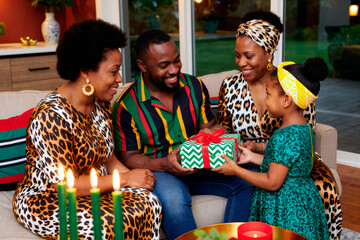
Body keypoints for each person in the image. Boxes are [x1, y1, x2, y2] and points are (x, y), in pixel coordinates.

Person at [12, 19, 162, 240]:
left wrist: (136, 178)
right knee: (105, 226)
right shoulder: (50, 116)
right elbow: (65, 186)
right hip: (50, 200)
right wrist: (126, 180)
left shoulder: (100, 102)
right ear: (86, 72)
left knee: (149, 202)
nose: (120, 79)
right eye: (114, 72)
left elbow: (108, 158)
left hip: (95, 189)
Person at [112, 29, 256, 240]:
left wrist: (211, 134)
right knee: (173, 199)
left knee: (245, 181)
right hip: (161, 171)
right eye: (164, 65)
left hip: (199, 165)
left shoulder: (194, 86)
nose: (174, 69)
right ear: (142, 65)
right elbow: (129, 157)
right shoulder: (126, 105)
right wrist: (165, 164)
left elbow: (211, 128)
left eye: (176, 61)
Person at [215, 10, 342, 239]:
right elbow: (225, 127)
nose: (241, 62)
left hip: (286, 172)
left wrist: (241, 164)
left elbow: (280, 170)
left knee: (323, 188)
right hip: (277, 163)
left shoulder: (290, 82)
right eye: (237, 55)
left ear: (269, 53)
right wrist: (247, 151)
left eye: (249, 56)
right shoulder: (232, 86)